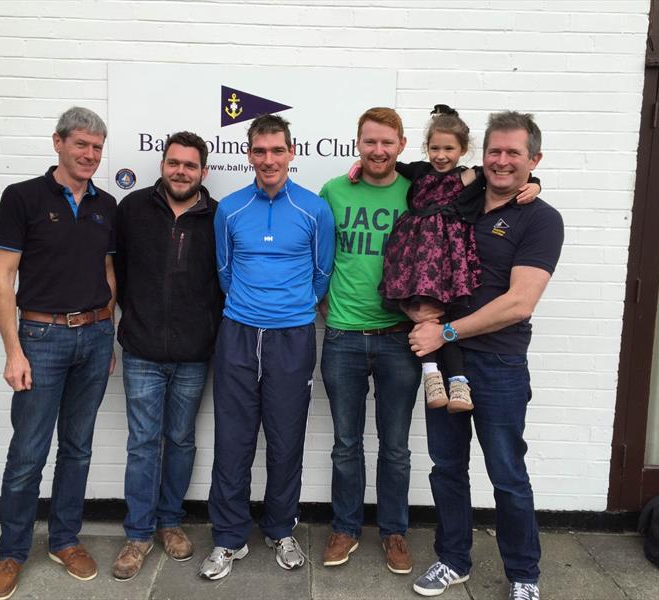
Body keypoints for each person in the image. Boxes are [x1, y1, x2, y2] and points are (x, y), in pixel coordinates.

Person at [409, 111, 564, 600]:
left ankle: (524, 574)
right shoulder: (463, 202)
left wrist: (446, 331)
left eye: (514, 153)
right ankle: (453, 560)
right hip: (444, 362)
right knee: (446, 468)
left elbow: (519, 303)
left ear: (533, 160)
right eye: (494, 151)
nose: (501, 161)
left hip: (496, 365)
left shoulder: (540, 218)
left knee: (506, 473)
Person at [0, 107, 117, 600]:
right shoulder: (22, 198)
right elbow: (3, 279)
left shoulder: (108, 205)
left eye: (98, 148)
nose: (90, 155)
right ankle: (12, 552)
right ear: (58, 142)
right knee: (28, 452)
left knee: (78, 447)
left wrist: (108, 329)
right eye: (81, 144)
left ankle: (64, 539)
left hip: (95, 336)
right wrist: (12, 351)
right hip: (40, 340)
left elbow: (108, 275)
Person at [199, 114, 335, 580]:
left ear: (291, 153)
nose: (269, 159)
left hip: (293, 337)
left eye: (277, 150)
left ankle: (281, 529)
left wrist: (287, 307)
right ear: (249, 154)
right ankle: (228, 538)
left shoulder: (314, 209)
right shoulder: (230, 209)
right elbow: (224, 270)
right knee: (232, 439)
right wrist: (253, 305)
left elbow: (322, 274)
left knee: (285, 438)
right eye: (260, 151)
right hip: (237, 334)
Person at [111, 131, 223, 580]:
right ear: (163, 163)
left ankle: (170, 521)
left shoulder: (218, 217)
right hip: (141, 350)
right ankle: (138, 534)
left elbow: (222, 279)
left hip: (195, 353)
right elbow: (115, 272)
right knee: (143, 443)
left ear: (203, 172)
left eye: (190, 165)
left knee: (180, 440)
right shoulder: (132, 209)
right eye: (174, 162)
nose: (181, 171)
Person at [379, 105, 539, 413]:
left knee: (443, 316)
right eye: (435, 148)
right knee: (425, 315)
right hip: (415, 257)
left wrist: (535, 183)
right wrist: (357, 166)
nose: (440, 155)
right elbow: (388, 166)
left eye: (449, 148)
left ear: (464, 150)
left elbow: (518, 176)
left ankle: (458, 382)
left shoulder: (472, 177)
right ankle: (432, 377)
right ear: (426, 148)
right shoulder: (419, 171)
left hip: (446, 261)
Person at [318, 107, 421, 575]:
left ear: (401, 144)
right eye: (369, 142)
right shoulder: (335, 191)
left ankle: (394, 531)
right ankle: (345, 527)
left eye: (387, 142)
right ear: (357, 143)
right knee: (346, 443)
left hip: (400, 337)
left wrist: (534, 186)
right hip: (342, 336)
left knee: (395, 446)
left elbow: (470, 178)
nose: (378, 151)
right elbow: (317, 254)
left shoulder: (417, 193)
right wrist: (323, 302)